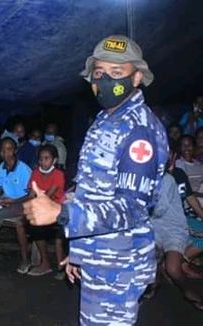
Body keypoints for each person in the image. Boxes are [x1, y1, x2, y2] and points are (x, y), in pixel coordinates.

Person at [23, 35, 168, 325]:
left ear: (137, 77)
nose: (105, 80)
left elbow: (132, 208)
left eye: (117, 73)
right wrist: (80, 250)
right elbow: (91, 190)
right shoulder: (105, 119)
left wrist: (61, 213)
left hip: (119, 263)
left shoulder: (138, 129)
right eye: (99, 73)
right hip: (99, 254)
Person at [143, 147, 203, 310]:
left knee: (173, 268)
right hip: (153, 225)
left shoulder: (168, 180)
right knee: (148, 257)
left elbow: (158, 209)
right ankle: (154, 283)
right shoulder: (144, 178)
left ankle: (187, 290)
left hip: (173, 227)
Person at [0, 137, 32, 273]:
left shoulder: (23, 169)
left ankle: (25, 260)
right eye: (3, 150)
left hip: (23, 203)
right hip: (6, 201)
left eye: (9, 149)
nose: (5, 153)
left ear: (15, 151)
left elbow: (30, 195)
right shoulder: (2, 167)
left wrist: (13, 202)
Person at [25, 144, 66, 278]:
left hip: (56, 210)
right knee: (35, 229)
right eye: (41, 159)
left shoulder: (58, 174)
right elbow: (31, 194)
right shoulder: (36, 172)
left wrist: (35, 202)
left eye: (46, 158)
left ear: (54, 160)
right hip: (41, 209)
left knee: (59, 238)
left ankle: (61, 267)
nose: (43, 161)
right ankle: (45, 263)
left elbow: (49, 195)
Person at [175, 135, 203, 199]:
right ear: (179, 147)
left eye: (189, 145)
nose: (186, 147)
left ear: (194, 147)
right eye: (183, 145)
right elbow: (182, 191)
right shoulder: (177, 164)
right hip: (188, 202)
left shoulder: (199, 165)